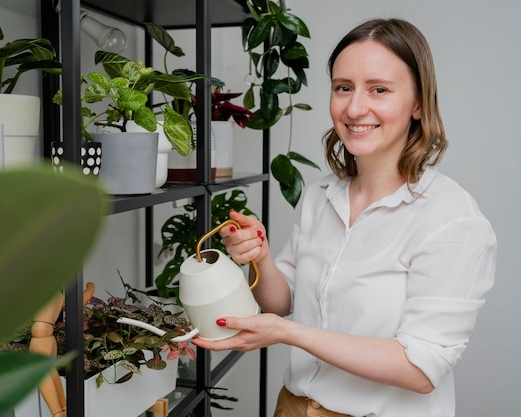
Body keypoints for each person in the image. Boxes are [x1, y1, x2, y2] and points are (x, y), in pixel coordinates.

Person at [191, 18, 497, 417]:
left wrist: (287, 334)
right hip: (293, 407)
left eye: (379, 89)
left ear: (419, 103)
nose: (355, 108)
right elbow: (282, 302)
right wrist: (261, 257)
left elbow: (420, 367)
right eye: (343, 88)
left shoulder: (451, 219)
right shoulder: (322, 195)